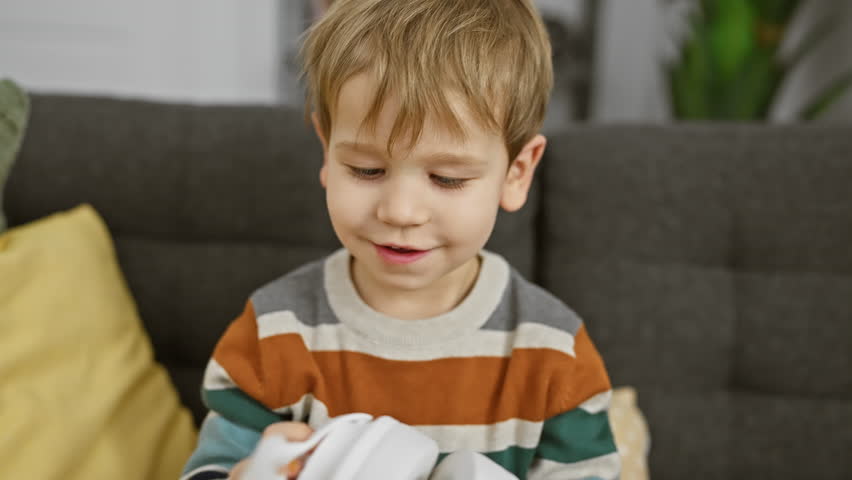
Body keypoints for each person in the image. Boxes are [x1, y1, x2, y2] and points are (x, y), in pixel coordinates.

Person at [181, 0, 620, 478]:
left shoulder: (554, 353)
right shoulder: (273, 334)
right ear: (327, 149)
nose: (400, 211)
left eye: (447, 178)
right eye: (366, 169)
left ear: (516, 173)